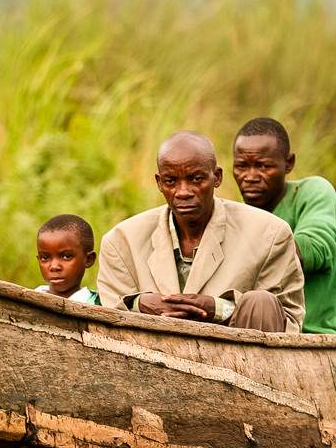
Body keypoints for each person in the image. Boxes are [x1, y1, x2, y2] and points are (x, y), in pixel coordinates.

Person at [97, 131, 304, 332]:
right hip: (149, 359)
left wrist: (217, 310)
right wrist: (138, 304)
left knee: (261, 302)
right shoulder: (121, 241)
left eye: (196, 179)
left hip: (240, 361)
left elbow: (287, 320)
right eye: (171, 181)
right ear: (159, 183)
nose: (183, 192)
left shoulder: (269, 234)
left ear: (217, 177)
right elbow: (107, 318)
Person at [232, 117, 336, 334]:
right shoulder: (239, 215)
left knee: (260, 302)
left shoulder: (313, 192)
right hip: (248, 333)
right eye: (242, 166)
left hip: (311, 334)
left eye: (263, 166)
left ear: (289, 163)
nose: (250, 177)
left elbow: (317, 249)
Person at [34, 214, 102, 305]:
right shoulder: (27, 299)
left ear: (89, 259)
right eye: (45, 258)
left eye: (66, 256)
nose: (54, 266)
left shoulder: (99, 305)